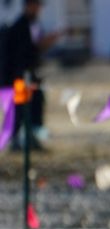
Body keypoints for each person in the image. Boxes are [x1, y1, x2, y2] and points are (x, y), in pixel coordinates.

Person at [3, 0, 60, 151]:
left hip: (31, 76)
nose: (39, 9)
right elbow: (22, 53)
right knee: (19, 111)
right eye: (36, 6)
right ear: (28, 6)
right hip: (19, 78)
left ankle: (31, 139)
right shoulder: (19, 27)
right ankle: (17, 142)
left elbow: (35, 49)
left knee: (35, 108)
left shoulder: (34, 25)